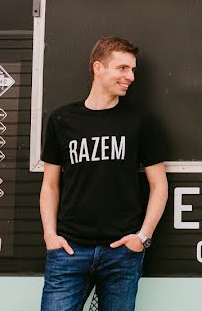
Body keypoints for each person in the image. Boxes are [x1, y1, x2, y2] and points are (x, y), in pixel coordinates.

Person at [39, 36, 168, 311]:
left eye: (132, 70)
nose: (130, 77)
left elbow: (159, 185)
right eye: (122, 68)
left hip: (122, 252)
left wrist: (142, 237)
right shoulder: (62, 120)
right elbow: (50, 185)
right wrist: (51, 235)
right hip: (69, 250)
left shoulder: (141, 121)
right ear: (98, 68)